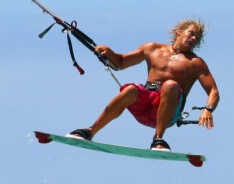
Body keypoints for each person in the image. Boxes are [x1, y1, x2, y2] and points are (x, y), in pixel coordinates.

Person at [69, 19, 219, 150]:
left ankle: (158, 139)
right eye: (191, 33)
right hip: (145, 107)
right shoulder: (152, 48)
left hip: (169, 113)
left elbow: (213, 91)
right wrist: (109, 52)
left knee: (171, 85)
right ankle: (90, 131)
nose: (193, 38)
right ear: (179, 31)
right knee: (130, 90)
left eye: (197, 38)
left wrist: (208, 109)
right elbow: (120, 63)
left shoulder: (196, 63)